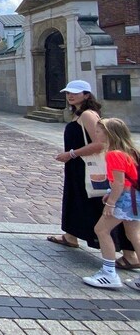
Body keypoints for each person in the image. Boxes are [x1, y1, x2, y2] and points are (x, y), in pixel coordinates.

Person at [49, 81, 139, 268]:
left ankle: (128, 254)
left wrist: (72, 153)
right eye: (68, 93)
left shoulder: (88, 115)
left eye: (75, 93)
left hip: (87, 167)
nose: (70, 96)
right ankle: (71, 235)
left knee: (97, 205)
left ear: (87, 95)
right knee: (78, 201)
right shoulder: (79, 113)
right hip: (78, 167)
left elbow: (100, 143)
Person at [81, 118, 140, 290]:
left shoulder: (114, 154)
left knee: (101, 229)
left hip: (125, 198)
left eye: (99, 131)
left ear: (109, 134)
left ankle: (108, 273)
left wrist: (111, 202)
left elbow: (119, 183)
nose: (96, 133)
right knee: (134, 234)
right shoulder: (131, 152)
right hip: (135, 197)